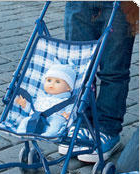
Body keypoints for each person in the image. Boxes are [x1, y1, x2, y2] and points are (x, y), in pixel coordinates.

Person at [59, 1, 139, 163]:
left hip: (120, 4)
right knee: (79, 68)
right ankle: (81, 122)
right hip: (79, 3)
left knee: (113, 70)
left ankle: (108, 128)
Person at [15, 62, 76, 136]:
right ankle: (22, 131)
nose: (52, 84)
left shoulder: (66, 100)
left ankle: (49, 134)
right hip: (36, 118)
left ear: (68, 87)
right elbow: (32, 108)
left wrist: (68, 114)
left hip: (54, 117)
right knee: (25, 120)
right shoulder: (40, 97)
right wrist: (25, 105)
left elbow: (72, 109)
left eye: (57, 82)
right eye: (49, 80)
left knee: (56, 122)